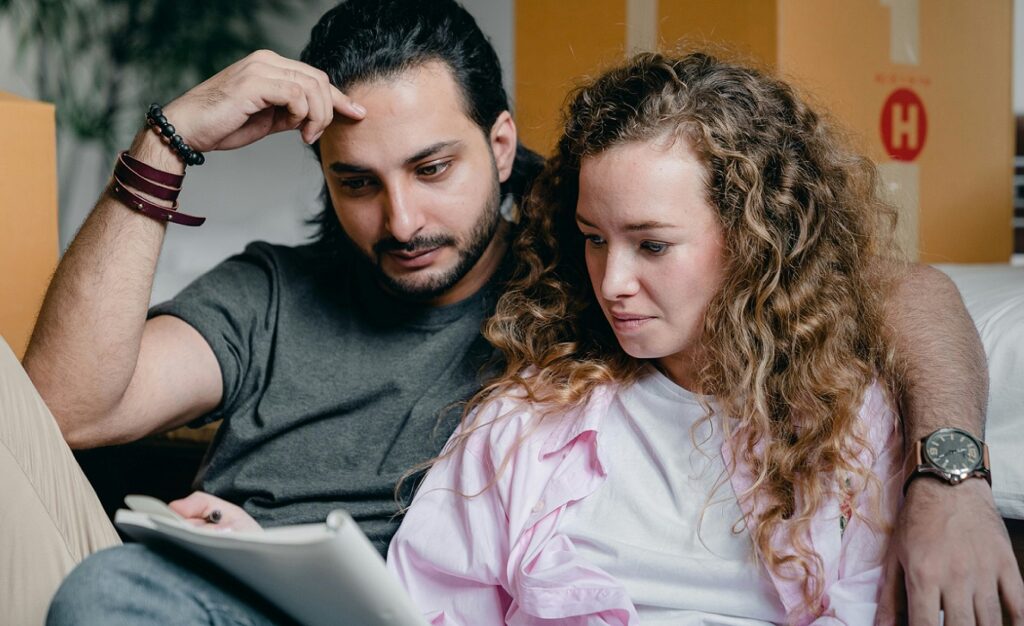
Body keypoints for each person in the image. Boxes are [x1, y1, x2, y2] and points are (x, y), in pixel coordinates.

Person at [0, 0, 1013, 623]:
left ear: (498, 144)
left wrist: (952, 473)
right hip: (253, 592)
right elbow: (63, 413)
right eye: (356, 182)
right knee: (99, 575)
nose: (401, 218)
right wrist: (164, 142)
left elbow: (888, 287)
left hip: (418, 598)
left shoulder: (579, 251)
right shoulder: (272, 289)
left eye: (432, 167)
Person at [387, 51, 1020, 626]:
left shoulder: (855, 426)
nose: (613, 282)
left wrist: (950, 483)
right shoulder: (523, 424)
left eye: (653, 244)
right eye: (594, 238)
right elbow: (427, 600)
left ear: (756, 237)